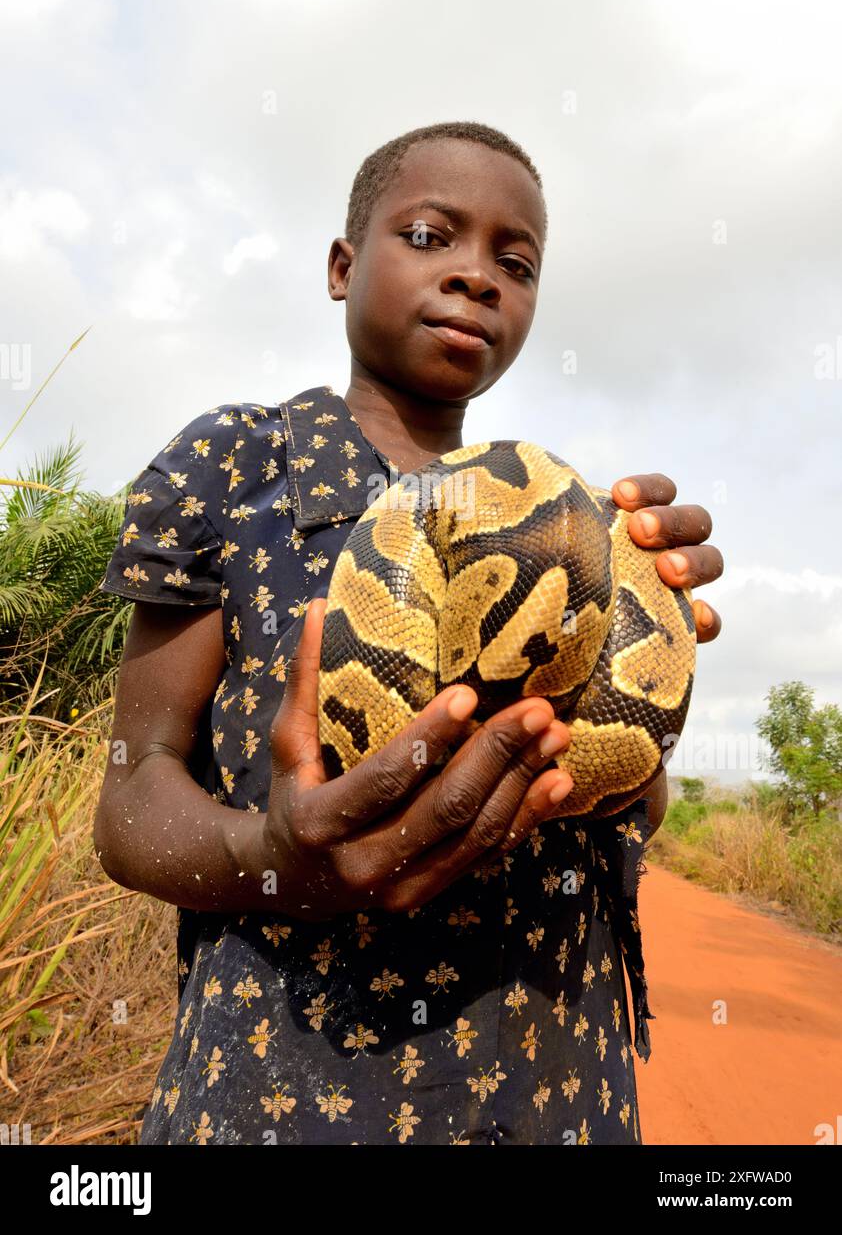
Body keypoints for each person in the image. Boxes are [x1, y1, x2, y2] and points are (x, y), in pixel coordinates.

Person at [94, 120, 723, 1146]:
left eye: (512, 264)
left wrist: (653, 644)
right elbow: (131, 796)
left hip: (557, 1086)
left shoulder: (576, 524)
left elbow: (621, 807)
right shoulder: (236, 465)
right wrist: (269, 856)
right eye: (431, 236)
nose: (476, 277)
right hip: (288, 1089)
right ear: (342, 268)